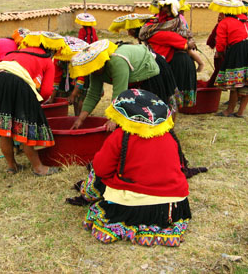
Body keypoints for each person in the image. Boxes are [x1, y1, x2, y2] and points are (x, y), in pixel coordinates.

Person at [72, 89, 192, 247]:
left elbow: (101, 170)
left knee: (96, 170)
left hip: (130, 207)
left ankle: (88, 195)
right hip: (172, 208)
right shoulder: (170, 137)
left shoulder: (120, 136)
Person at [0, 31, 72, 176]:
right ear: (50, 50)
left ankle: (12, 166)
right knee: (24, 128)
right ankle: (39, 168)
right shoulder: (46, 60)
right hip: (14, 83)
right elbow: (46, 91)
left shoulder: (14, 52)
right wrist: (35, 103)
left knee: (4, 129)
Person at [69, 39, 160, 130]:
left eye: (94, 69)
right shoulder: (95, 71)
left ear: (101, 62)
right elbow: (93, 94)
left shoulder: (117, 62)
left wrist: (114, 118)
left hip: (149, 72)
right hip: (133, 82)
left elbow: (120, 93)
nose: (93, 72)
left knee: (149, 118)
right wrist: (80, 119)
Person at [108, 13, 181, 113]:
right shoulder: (143, 39)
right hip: (152, 63)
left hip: (155, 64)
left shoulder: (148, 36)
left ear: (135, 30)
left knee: (162, 96)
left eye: (130, 30)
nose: (129, 33)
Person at [139, 0, 198, 109]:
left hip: (175, 63)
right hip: (171, 62)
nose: (164, 13)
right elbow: (184, 42)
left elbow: (180, 41)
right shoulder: (157, 29)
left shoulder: (156, 30)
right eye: (163, 10)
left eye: (167, 10)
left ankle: (169, 118)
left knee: (171, 96)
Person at [48, 36, 89, 116]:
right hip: (66, 76)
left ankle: (78, 116)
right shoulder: (58, 56)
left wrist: (73, 95)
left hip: (80, 76)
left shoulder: (80, 58)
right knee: (59, 94)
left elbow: (81, 79)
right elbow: (56, 79)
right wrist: (51, 97)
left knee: (79, 99)